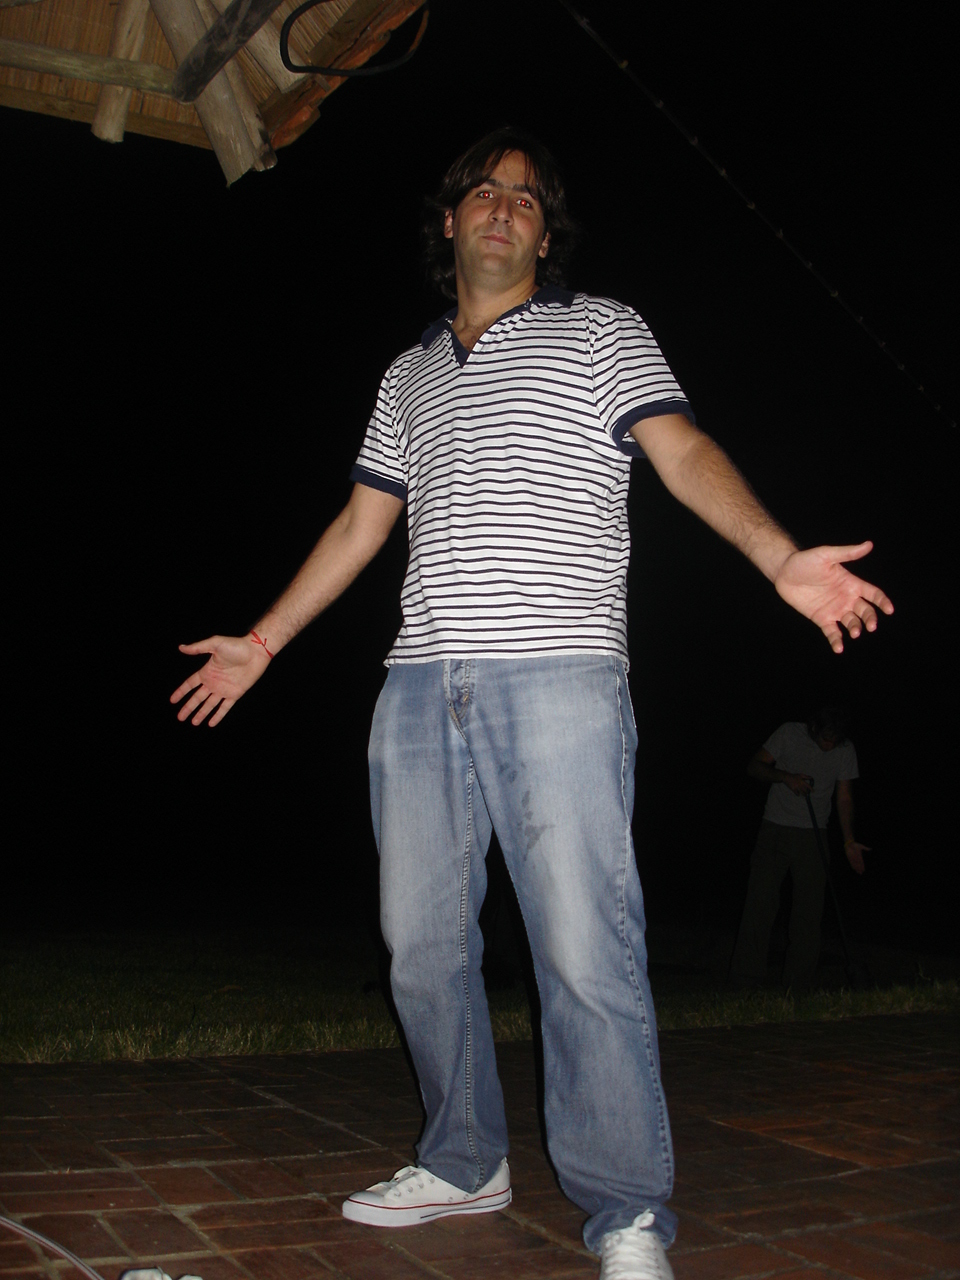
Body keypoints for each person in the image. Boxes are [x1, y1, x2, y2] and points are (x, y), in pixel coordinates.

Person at [170, 129, 893, 1280]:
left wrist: (778, 556)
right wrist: (264, 640)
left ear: (545, 235)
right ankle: (463, 1159)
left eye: (525, 197)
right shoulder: (406, 373)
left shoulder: (603, 328)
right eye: (483, 191)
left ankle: (626, 1211)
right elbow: (362, 521)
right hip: (418, 685)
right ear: (449, 221)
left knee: (582, 945)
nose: (503, 206)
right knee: (419, 946)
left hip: (559, 674)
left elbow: (680, 448)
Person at [730, 707, 867, 990]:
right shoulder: (789, 733)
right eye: (826, 738)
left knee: (808, 915)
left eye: (835, 740)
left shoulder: (845, 750)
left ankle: (798, 988)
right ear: (814, 727)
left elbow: (844, 797)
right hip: (774, 831)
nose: (830, 745)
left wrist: (849, 841)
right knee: (760, 906)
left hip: (814, 836)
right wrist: (785, 777)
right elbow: (755, 766)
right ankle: (744, 982)